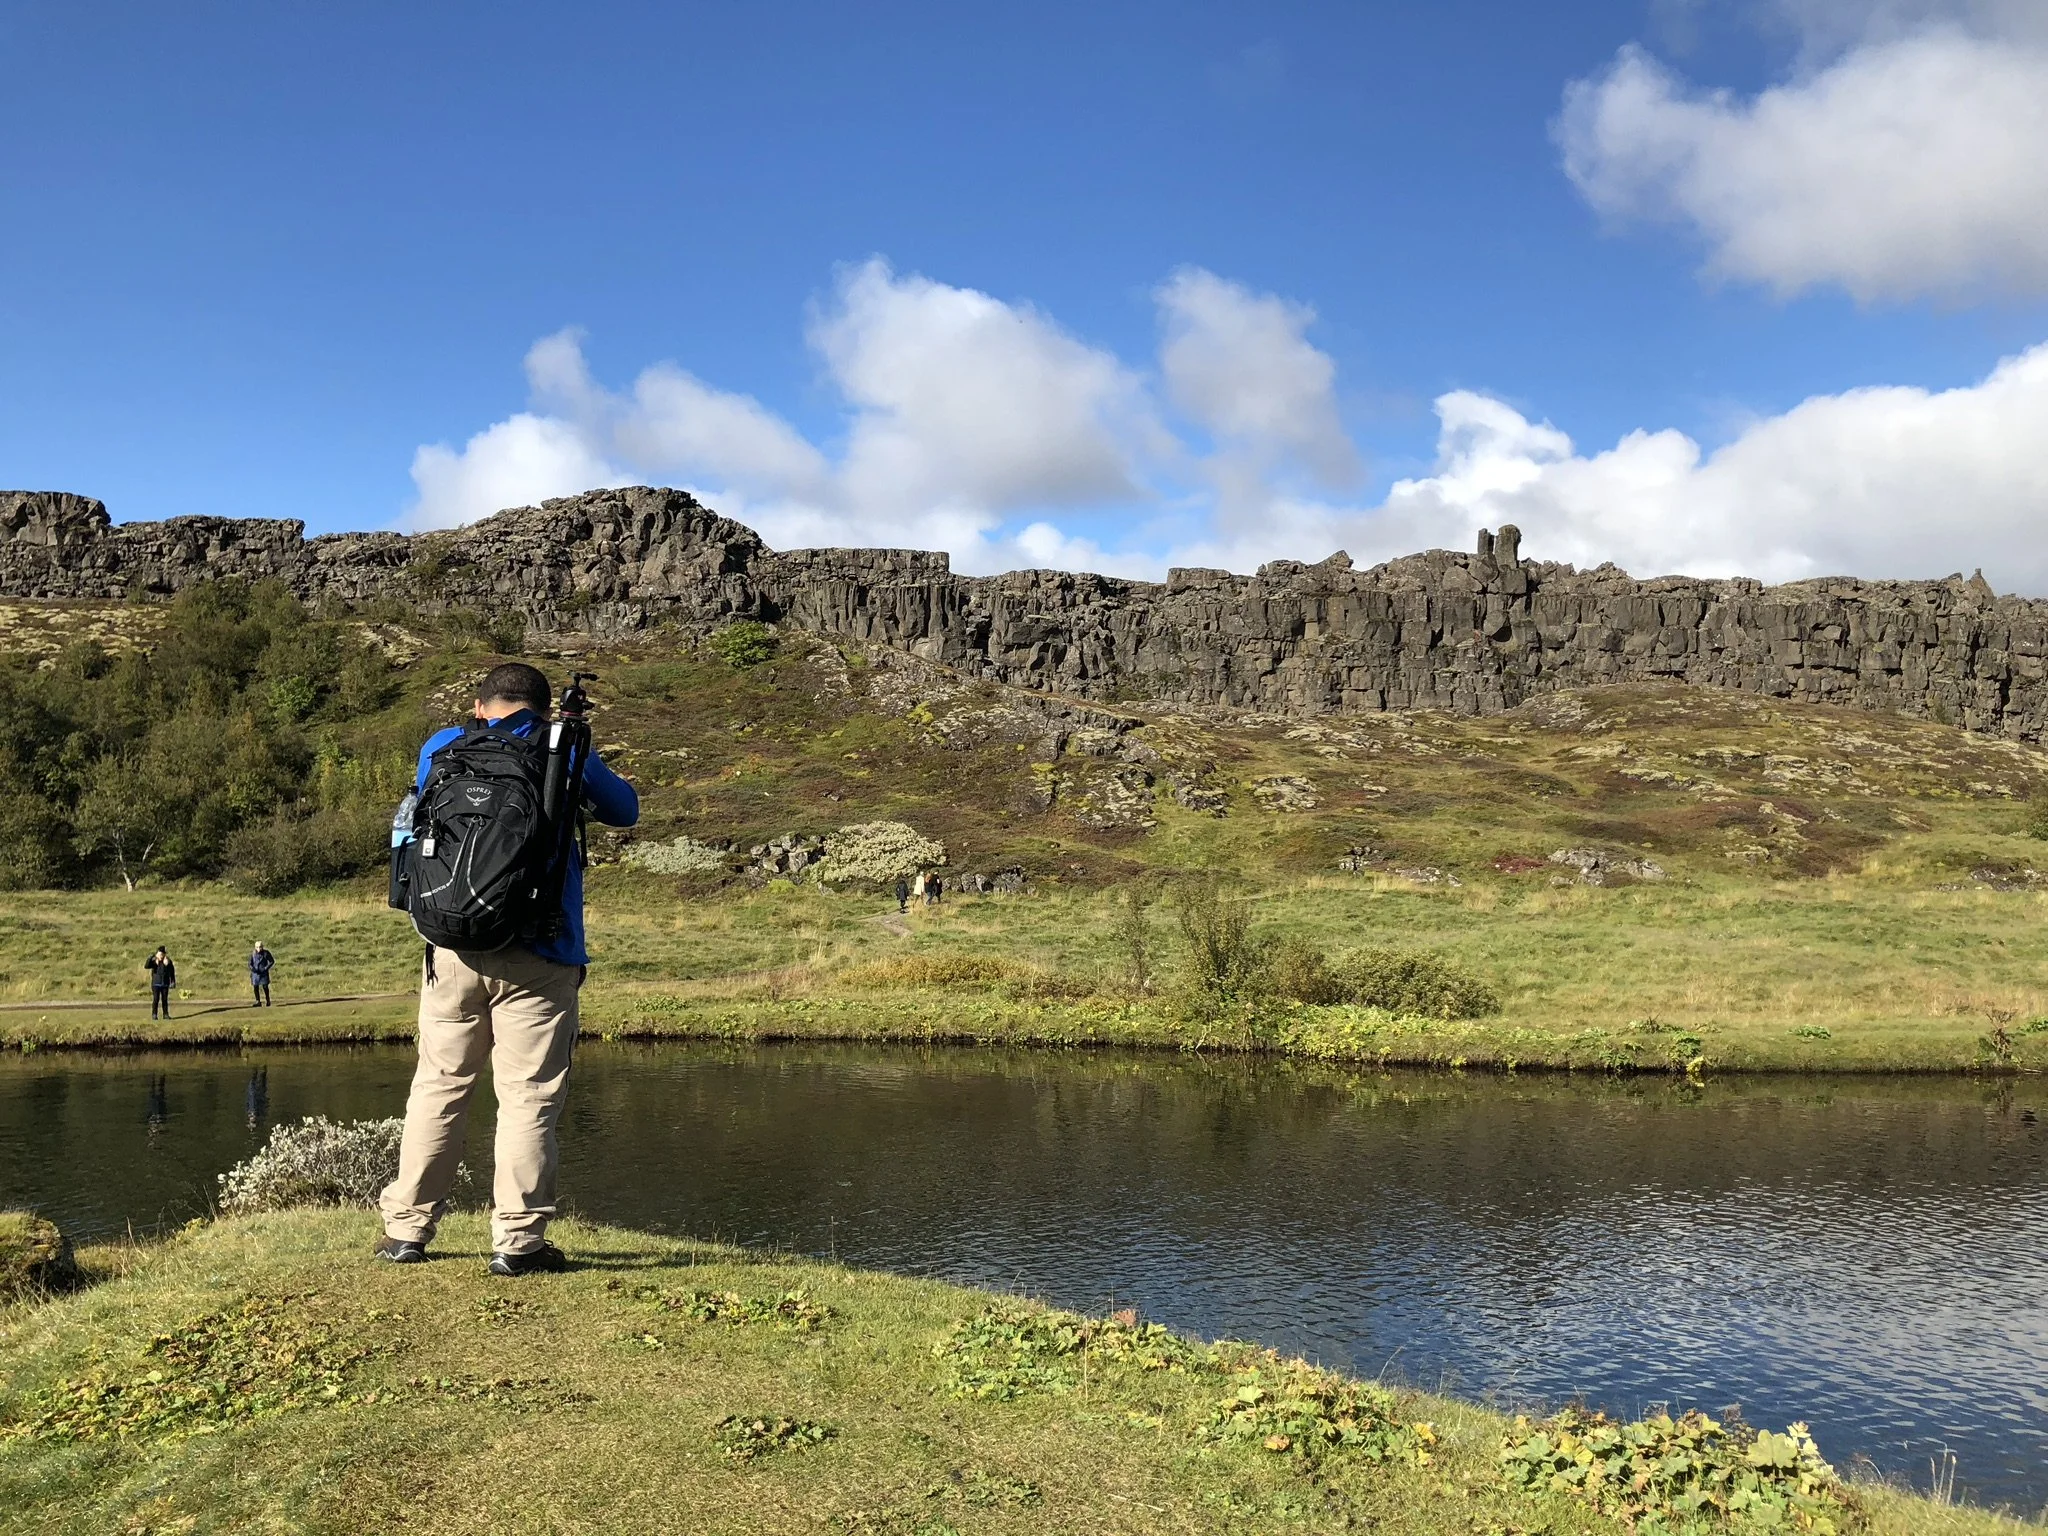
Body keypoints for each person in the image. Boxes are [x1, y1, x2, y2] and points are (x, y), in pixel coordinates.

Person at [376, 662, 638, 1277]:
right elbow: (624, 810)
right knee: (527, 1098)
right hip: (541, 952)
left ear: (478, 705)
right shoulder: (560, 746)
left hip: (452, 948)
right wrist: (571, 754)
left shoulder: (443, 746)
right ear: (542, 709)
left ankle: (405, 1232)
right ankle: (517, 1243)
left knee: (439, 1087)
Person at [145, 947, 175, 1019]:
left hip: (165, 984)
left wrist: (173, 981)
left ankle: (165, 1014)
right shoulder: (154, 961)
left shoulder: (168, 961)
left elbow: (172, 972)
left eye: (162, 954)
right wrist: (151, 957)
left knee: (165, 1000)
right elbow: (146, 966)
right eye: (160, 954)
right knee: (156, 999)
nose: (161, 956)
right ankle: (154, 1014)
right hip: (156, 984)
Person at [249, 942, 274, 1007]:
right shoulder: (253, 953)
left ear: (262, 947)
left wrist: (265, 968)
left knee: (265, 986)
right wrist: (253, 969)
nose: (259, 948)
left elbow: (271, 961)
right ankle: (258, 1001)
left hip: (263, 972)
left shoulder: (266, 953)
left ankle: (268, 1000)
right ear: (255, 947)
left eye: (260, 947)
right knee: (255, 987)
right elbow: (250, 963)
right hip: (255, 973)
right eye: (257, 947)